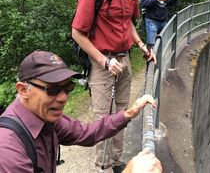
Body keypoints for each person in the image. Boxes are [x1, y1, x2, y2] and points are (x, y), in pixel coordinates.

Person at [0, 50, 157, 173]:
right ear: (23, 90)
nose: (63, 97)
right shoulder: (8, 151)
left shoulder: (44, 117)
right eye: (53, 89)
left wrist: (128, 113)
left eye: (68, 88)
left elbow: (85, 132)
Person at [72, 0, 156, 172]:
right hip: (102, 64)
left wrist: (141, 45)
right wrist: (104, 61)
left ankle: (117, 162)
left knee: (122, 113)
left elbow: (128, 21)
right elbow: (77, 33)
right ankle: (102, 166)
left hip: (125, 59)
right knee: (103, 119)